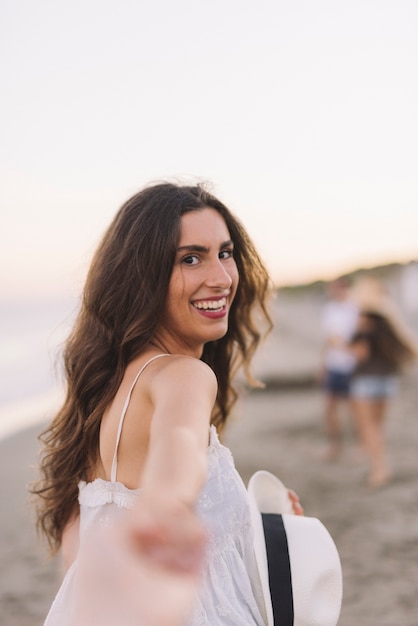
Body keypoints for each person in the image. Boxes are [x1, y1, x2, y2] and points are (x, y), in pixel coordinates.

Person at [31, 182, 303, 626]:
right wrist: (168, 508)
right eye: (190, 258)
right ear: (142, 274)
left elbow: (79, 553)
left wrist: (263, 527)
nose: (220, 277)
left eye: (226, 252)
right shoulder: (185, 375)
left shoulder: (108, 394)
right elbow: (178, 446)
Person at [349, 278, 418, 487]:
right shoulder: (388, 322)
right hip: (386, 381)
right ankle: (380, 464)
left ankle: (379, 469)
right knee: (377, 426)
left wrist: (342, 347)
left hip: (365, 382)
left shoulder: (364, 322)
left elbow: (360, 354)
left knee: (369, 427)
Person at [320, 277, 359, 459]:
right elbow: (328, 340)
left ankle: (361, 444)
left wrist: (344, 344)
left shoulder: (355, 309)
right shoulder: (329, 309)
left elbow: (359, 339)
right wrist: (323, 365)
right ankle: (336, 445)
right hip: (333, 364)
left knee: (355, 408)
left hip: (352, 366)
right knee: (330, 407)